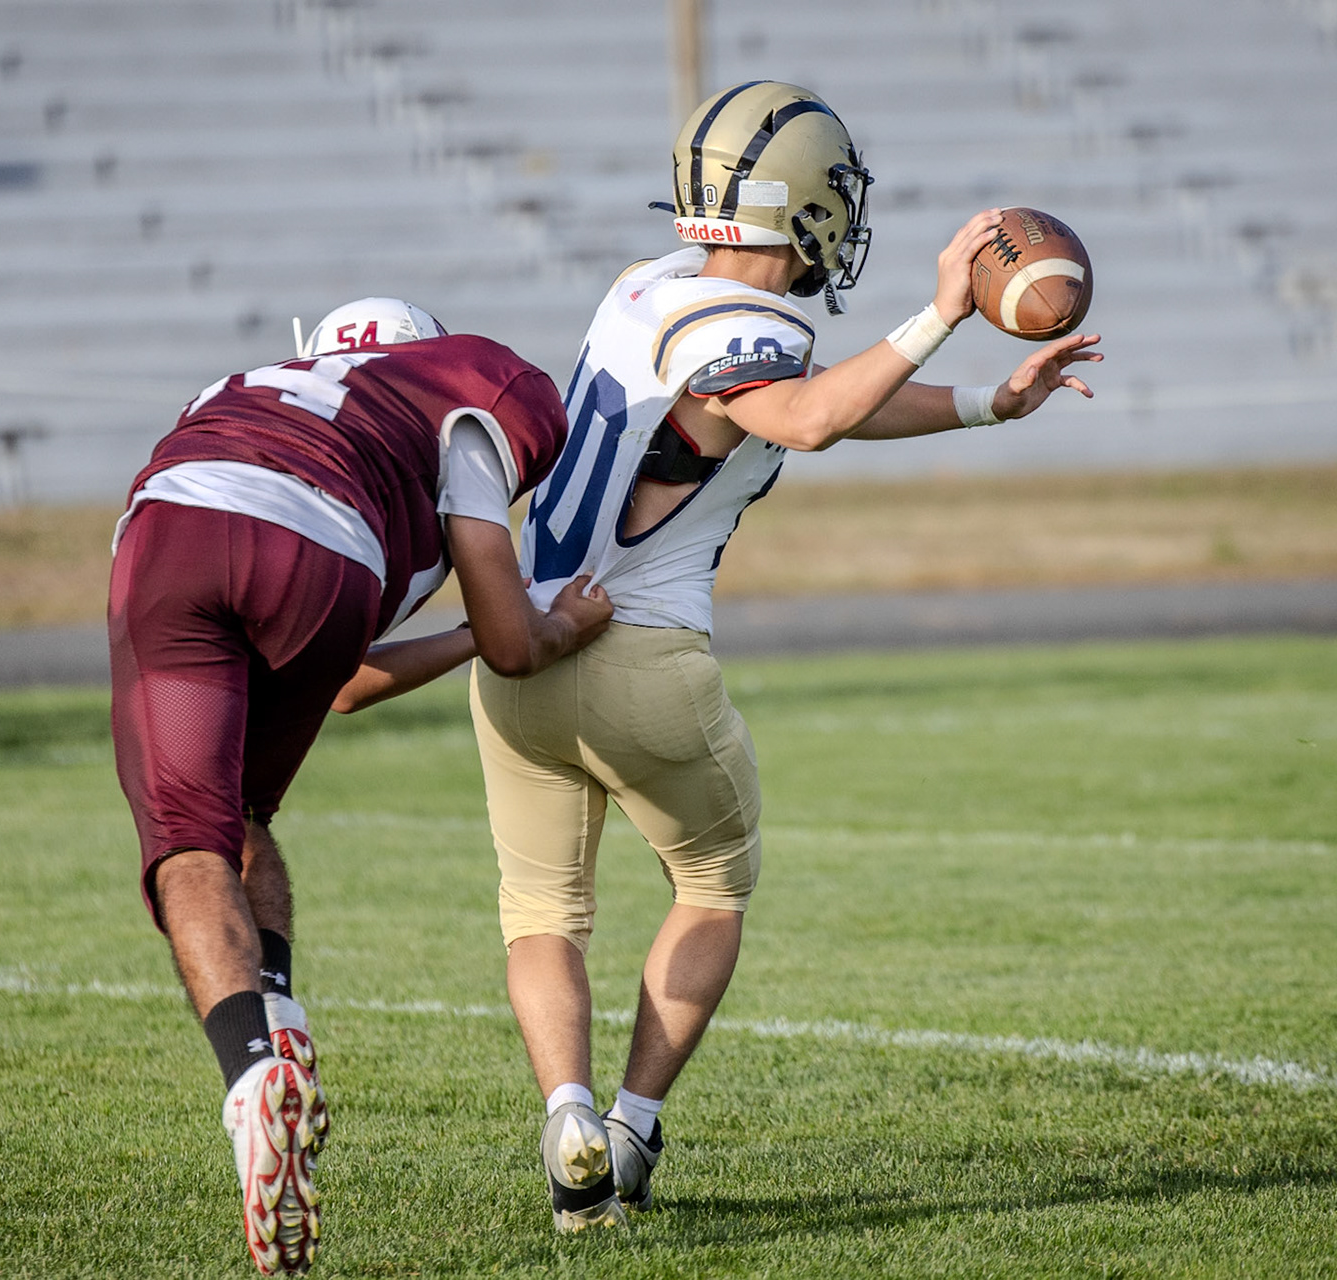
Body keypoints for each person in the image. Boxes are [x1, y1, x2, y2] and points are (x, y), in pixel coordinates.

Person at [471, 81, 1104, 1231]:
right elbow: (805, 414)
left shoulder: (646, 285)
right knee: (714, 883)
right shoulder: (751, 331)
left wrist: (984, 407)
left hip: (515, 648)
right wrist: (940, 312)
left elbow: (814, 401)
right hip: (639, 653)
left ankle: (563, 1114)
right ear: (806, 209)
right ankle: (629, 1128)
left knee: (543, 911)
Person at [108, 297, 612, 1275]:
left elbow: (385, 672)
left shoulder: (248, 387)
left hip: (179, 522)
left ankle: (258, 1072)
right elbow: (499, 644)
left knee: (191, 839)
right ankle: (283, 1035)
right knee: (243, 817)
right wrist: (552, 627)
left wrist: (499, 634)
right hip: (324, 555)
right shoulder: (454, 387)